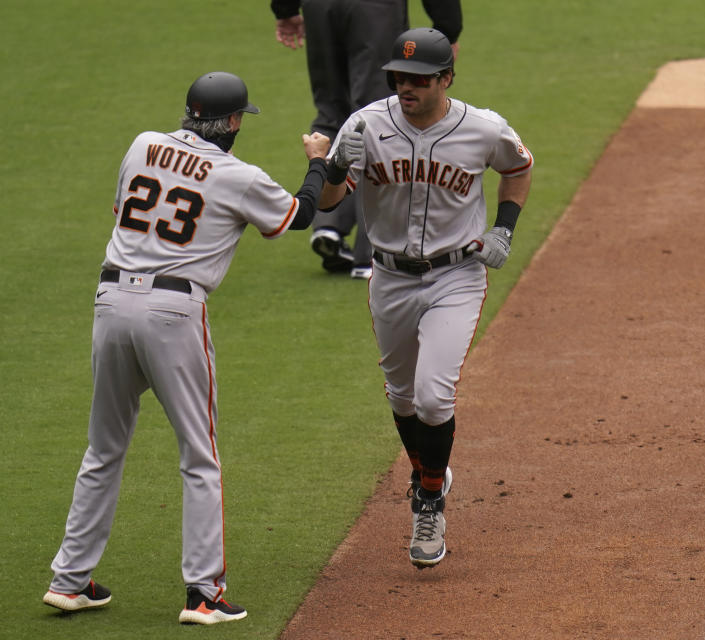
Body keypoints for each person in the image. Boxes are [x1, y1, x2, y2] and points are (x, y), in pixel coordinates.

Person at [42, 71, 362, 623]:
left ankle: (70, 580)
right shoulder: (238, 175)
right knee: (199, 454)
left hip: (111, 300)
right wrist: (317, 159)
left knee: (103, 449)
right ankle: (203, 594)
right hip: (172, 312)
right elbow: (301, 215)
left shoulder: (142, 143)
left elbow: (121, 210)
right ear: (234, 121)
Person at [318, 28, 533, 568]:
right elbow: (327, 201)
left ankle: (429, 499)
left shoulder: (483, 129)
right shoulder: (365, 124)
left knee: (434, 398)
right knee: (401, 397)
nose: (404, 85)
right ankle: (428, 471)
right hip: (388, 276)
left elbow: (518, 167)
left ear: (445, 79)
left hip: (455, 277)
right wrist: (334, 165)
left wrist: (504, 228)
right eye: (398, 76)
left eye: (417, 78)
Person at [270, 0, 462, 279]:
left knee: (330, 110)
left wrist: (285, 10)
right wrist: (447, 30)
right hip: (375, 10)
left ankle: (329, 221)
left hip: (320, 7)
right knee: (378, 116)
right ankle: (370, 254)